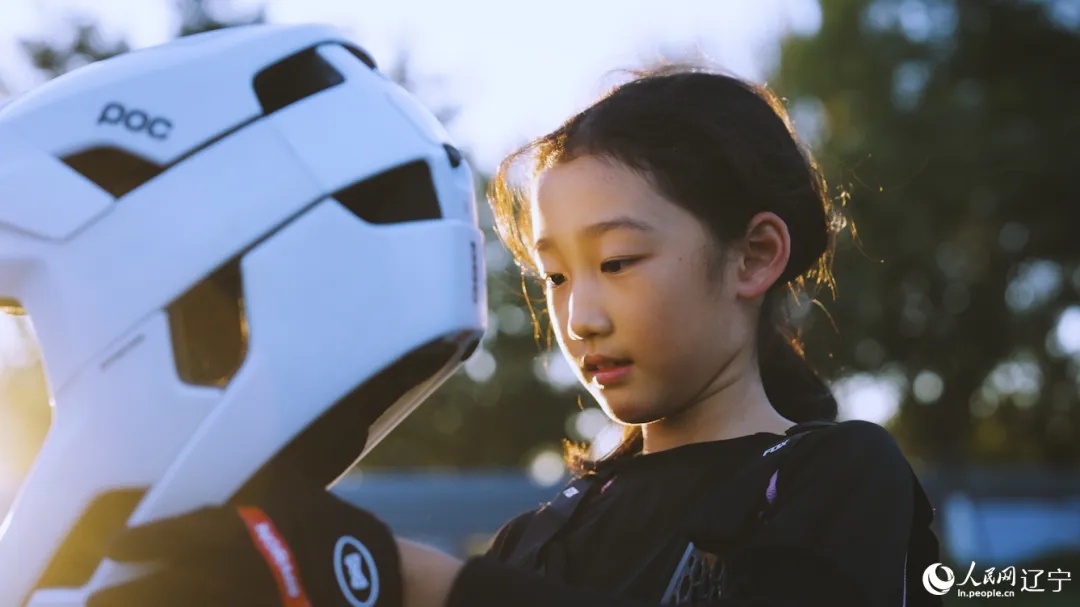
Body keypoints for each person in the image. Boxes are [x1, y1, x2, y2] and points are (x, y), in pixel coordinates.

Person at [84, 62, 943, 607]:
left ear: (755, 255)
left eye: (617, 261)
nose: (579, 317)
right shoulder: (540, 532)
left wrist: (405, 575)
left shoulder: (835, 474)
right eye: (555, 275)